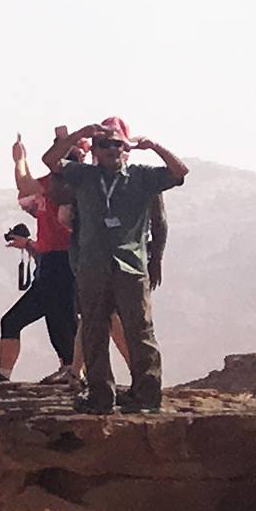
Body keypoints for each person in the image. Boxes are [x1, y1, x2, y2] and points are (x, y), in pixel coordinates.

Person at [41, 116, 189, 413]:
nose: (110, 149)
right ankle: (100, 396)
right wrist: (78, 135)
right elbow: (50, 160)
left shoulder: (141, 177)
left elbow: (180, 172)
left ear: (127, 148)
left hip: (131, 266)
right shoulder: (83, 176)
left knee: (140, 331)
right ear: (93, 149)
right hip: (92, 265)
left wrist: (154, 146)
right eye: (103, 144)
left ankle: (146, 394)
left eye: (117, 144)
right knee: (94, 330)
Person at [0, 133, 79, 385]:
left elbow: (24, 184)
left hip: (61, 260)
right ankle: (70, 368)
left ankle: (71, 369)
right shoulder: (54, 184)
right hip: (52, 260)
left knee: (56, 318)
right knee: (59, 318)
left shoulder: (64, 185)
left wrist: (19, 159)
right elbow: (26, 190)